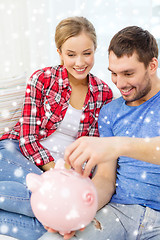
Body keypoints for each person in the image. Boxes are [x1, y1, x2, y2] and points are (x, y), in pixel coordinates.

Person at [0, 16, 112, 240]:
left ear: (95, 50)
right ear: (59, 52)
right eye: (71, 55)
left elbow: (92, 149)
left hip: (63, 173)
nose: (79, 62)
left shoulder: (103, 93)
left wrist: (69, 176)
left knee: (55, 221)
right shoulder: (42, 79)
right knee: (60, 209)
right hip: (17, 154)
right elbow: (27, 138)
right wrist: (56, 175)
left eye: (87, 53)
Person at [59, 26, 160, 240]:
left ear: (152, 65)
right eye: (114, 73)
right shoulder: (110, 112)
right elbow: (105, 179)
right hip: (120, 213)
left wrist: (119, 145)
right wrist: (79, 210)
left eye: (128, 73)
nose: (120, 84)